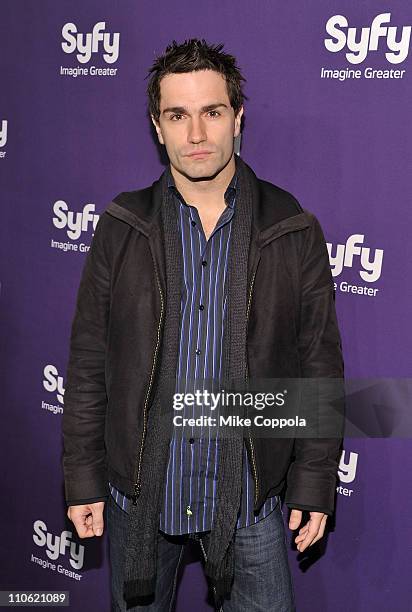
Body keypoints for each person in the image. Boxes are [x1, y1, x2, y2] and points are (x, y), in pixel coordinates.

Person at [62, 39, 345, 612]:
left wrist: (313, 482)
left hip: (248, 497)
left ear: (237, 118)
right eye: (177, 115)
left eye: (212, 112)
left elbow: (318, 364)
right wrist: (83, 477)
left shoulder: (292, 227)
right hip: (143, 491)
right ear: (157, 126)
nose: (196, 134)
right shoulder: (122, 225)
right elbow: (90, 360)